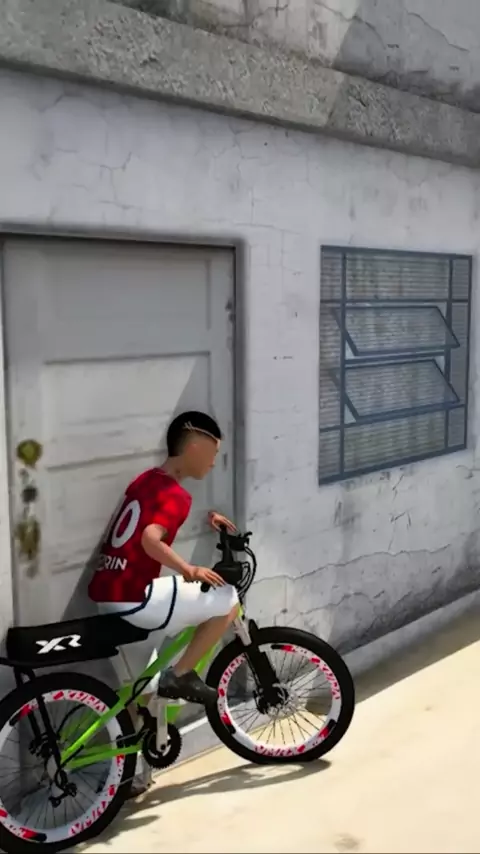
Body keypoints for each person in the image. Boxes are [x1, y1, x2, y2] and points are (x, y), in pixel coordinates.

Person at [88, 410, 239, 794]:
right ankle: (182, 675)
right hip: (134, 601)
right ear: (194, 447)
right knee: (228, 600)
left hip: (108, 597)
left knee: (142, 692)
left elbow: (146, 521)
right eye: (213, 453)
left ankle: (132, 776)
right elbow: (149, 539)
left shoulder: (148, 480)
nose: (214, 462)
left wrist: (208, 518)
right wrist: (189, 569)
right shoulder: (177, 495)